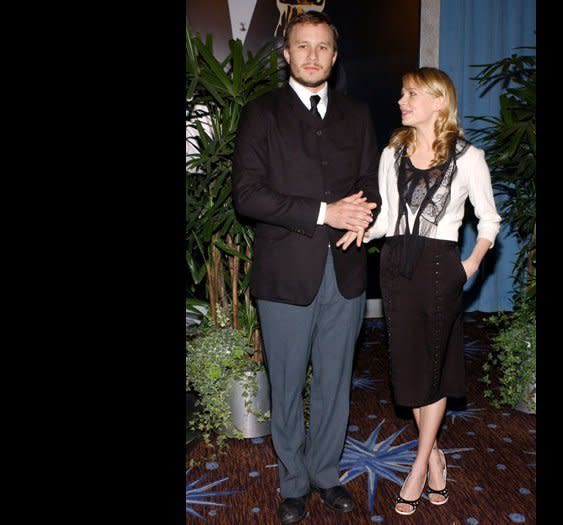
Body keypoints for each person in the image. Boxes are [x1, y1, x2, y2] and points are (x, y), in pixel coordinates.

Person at [231, 10, 381, 525]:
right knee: (288, 382)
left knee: (336, 381)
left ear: (335, 58)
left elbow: (371, 182)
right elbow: (247, 195)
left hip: (346, 271)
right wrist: (324, 212)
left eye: (322, 47)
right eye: (303, 46)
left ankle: (326, 474)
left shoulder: (358, 114)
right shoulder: (261, 113)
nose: (312, 56)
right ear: (286, 54)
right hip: (284, 275)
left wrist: (364, 216)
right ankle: (292, 482)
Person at [365, 67, 501, 515]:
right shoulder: (393, 152)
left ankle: (419, 465)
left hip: (443, 268)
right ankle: (437, 455)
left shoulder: (468, 157)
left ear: (439, 101)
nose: (402, 101)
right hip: (396, 266)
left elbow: (489, 220)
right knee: (410, 368)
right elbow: (386, 219)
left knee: (435, 366)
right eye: (402, 93)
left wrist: (471, 265)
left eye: (412, 94)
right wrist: (357, 232)